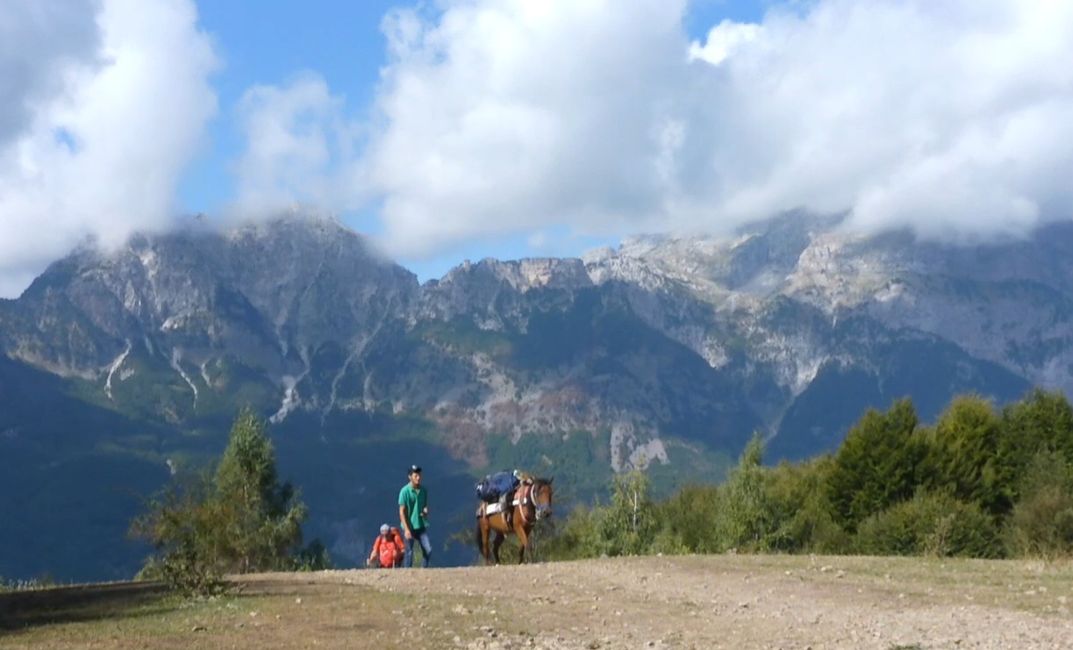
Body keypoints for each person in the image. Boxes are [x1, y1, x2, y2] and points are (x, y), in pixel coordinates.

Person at [399, 464, 431, 568]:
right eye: (415, 475)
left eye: (419, 475)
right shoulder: (404, 491)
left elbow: (424, 505)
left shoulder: (423, 490)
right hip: (409, 526)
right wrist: (406, 529)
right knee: (409, 552)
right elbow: (401, 512)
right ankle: (407, 573)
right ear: (410, 477)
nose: (418, 477)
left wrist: (425, 510)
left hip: (420, 525)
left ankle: (423, 570)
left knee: (428, 550)